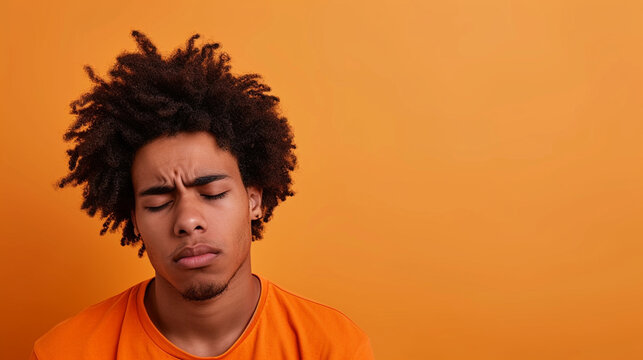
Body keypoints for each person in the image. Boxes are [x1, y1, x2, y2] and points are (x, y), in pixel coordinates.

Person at [30, 31, 373, 359]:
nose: (188, 221)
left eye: (212, 193)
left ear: (253, 200)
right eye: (158, 202)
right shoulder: (65, 352)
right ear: (134, 220)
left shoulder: (332, 347)